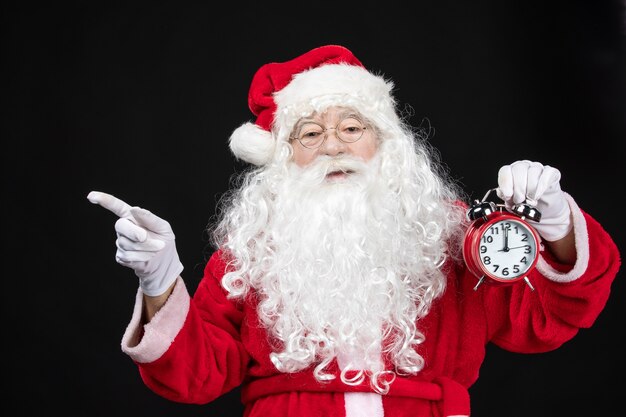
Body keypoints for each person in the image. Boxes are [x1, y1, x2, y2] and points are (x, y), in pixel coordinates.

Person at [87, 45, 620, 417]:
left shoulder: (453, 234)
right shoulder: (249, 253)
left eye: (351, 128)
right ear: (284, 157)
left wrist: (552, 223)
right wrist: (160, 283)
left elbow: (548, 319)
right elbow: (196, 376)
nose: (334, 146)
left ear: (384, 142)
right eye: (311, 133)